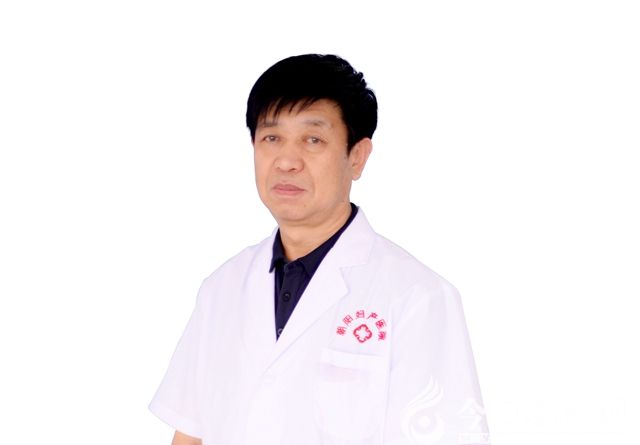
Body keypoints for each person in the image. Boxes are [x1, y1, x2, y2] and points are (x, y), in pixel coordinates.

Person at [149, 54, 490, 445]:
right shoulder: (222, 288)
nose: (287, 161)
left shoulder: (417, 297)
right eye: (271, 138)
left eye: (313, 140)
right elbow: (189, 433)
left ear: (356, 156)